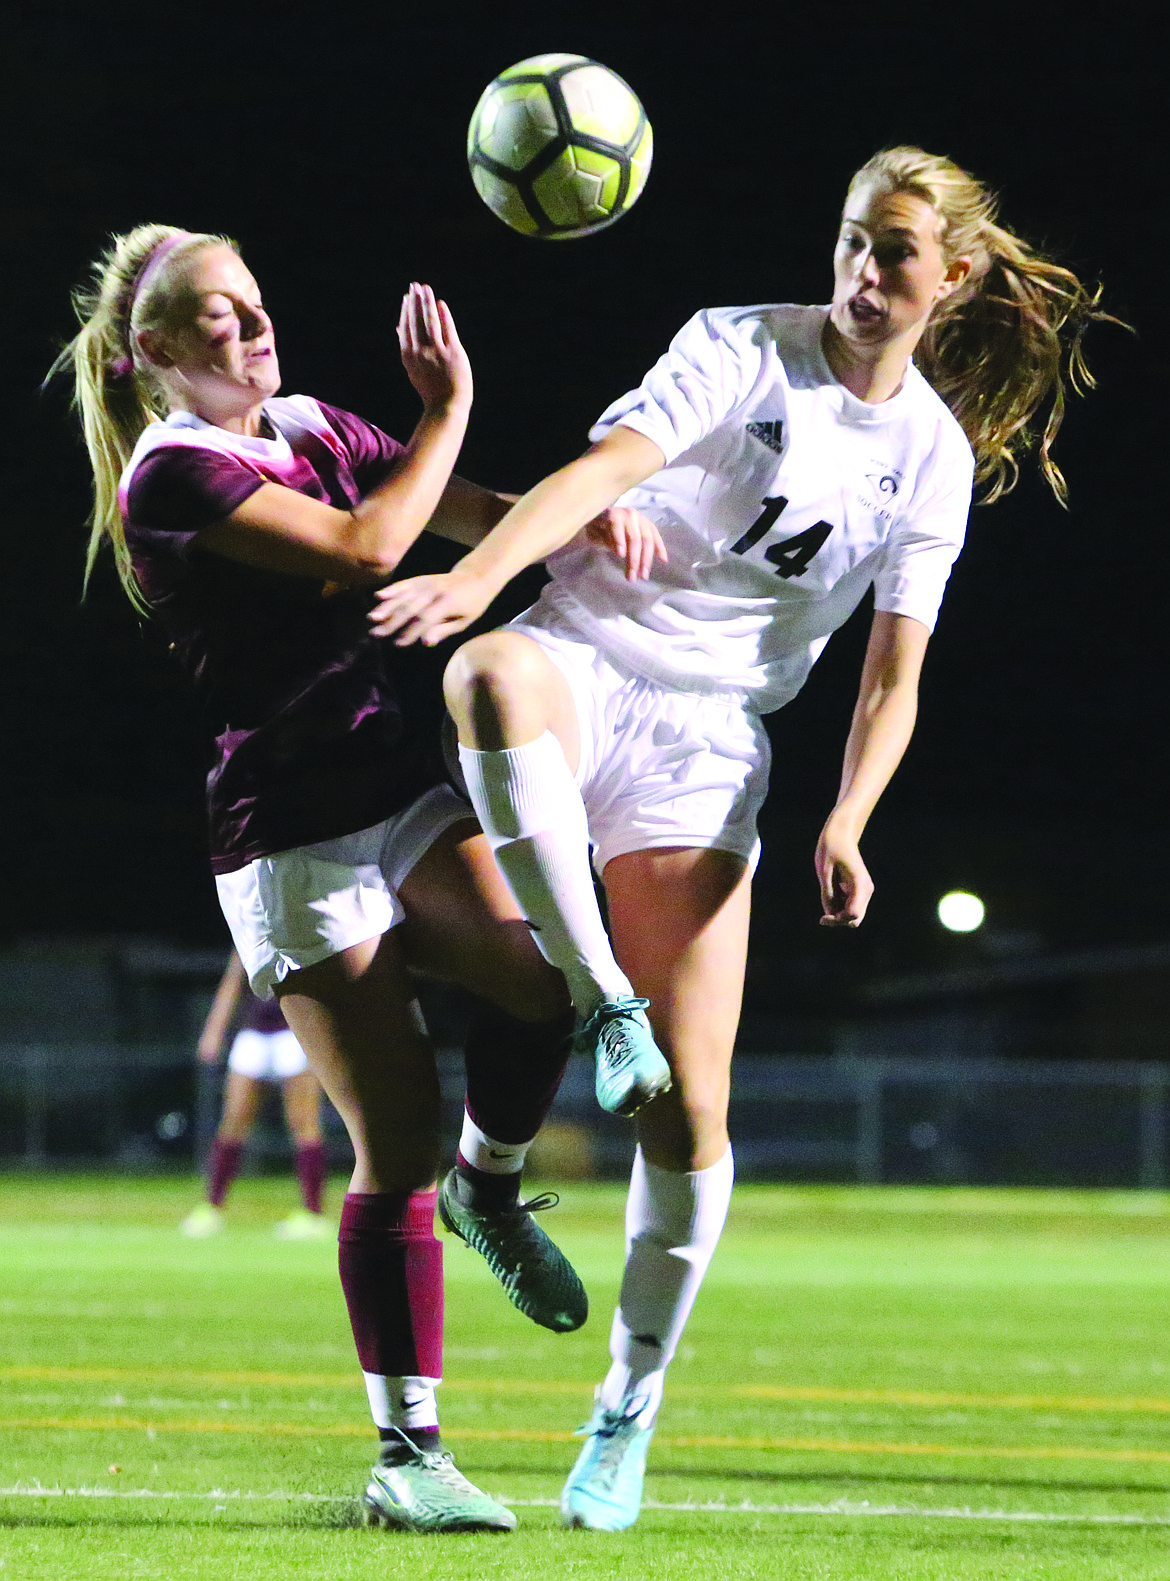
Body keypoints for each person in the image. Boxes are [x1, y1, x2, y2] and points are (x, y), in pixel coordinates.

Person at [368, 145, 1119, 1530]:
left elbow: (892, 676)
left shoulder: (930, 463)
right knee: (484, 676)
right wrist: (472, 578)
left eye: (894, 250)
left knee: (687, 1112)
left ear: (949, 278)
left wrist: (848, 813)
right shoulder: (737, 345)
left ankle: (623, 1411)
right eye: (848, 240)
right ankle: (597, 1001)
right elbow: (606, 467)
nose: (860, 271)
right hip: (588, 656)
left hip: (709, 740)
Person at [55, 225, 655, 1533]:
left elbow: (470, 521)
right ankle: (407, 1451)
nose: (248, 328)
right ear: (153, 351)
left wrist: (588, 525)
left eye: (253, 303)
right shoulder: (170, 475)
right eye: (211, 317)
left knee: (549, 977)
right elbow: (371, 547)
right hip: (286, 836)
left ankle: (489, 1192)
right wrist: (448, 407)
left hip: (391, 791)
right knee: (389, 1148)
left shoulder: (315, 418)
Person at [181, 949, 330, 1240]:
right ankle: (212, 1207)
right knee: (233, 1120)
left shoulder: (299, 922)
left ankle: (313, 1213)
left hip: (295, 1032)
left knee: (304, 1124)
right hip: (254, 1033)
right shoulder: (249, 922)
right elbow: (233, 979)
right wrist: (214, 1030)